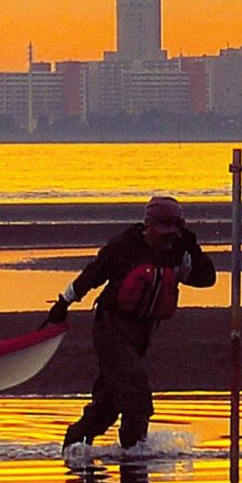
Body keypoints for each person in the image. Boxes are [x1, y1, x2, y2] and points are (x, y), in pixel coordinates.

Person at [46, 194, 216, 453]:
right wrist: (63, 304)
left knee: (109, 403)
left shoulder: (179, 251)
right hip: (111, 329)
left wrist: (193, 248)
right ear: (149, 226)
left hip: (141, 334)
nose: (168, 238)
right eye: (164, 232)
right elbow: (91, 276)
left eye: (174, 232)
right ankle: (135, 454)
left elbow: (206, 279)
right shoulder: (124, 247)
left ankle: (74, 446)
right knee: (136, 393)